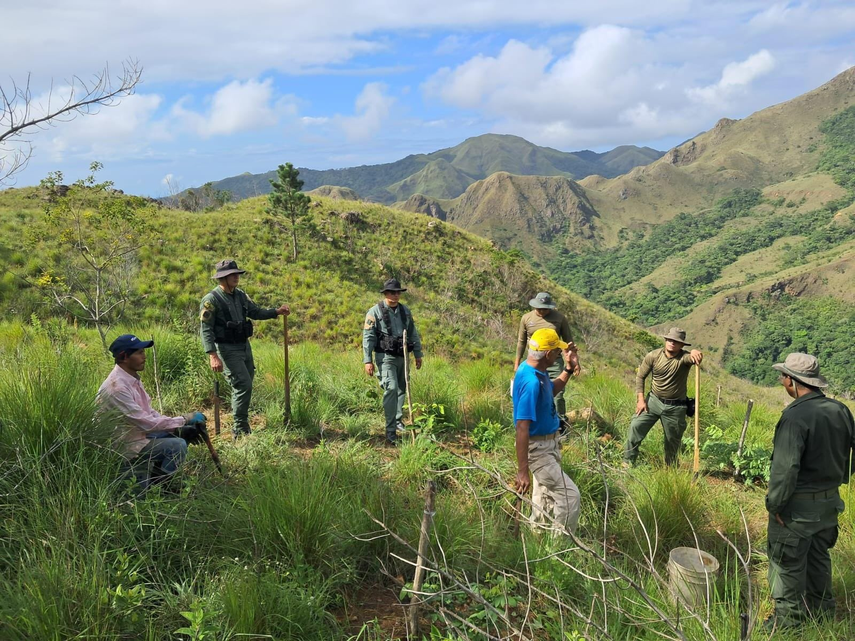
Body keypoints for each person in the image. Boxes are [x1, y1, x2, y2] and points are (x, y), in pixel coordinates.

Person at [765, 353, 855, 630]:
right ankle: (823, 614)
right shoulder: (840, 410)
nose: (781, 381)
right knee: (818, 559)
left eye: (782, 376)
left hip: (797, 509)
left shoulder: (794, 417)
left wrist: (775, 506)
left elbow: (785, 469)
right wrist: (839, 478)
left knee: (786, 565)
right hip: (829, 503)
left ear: (792, 381)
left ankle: (788, 624)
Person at [97, 334, 206, 491]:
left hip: (136, 432)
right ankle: (160, 488)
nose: (144, 356)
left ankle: (157, 476)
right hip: (122, 444)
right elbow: (146, 423)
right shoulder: (116, 388)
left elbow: (149, 413)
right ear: (124, 357)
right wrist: (183, 419)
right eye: (139, 352)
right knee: (177, 445)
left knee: (182, 433)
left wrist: (177, 426)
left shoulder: (131, 379)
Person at [200, 259, 290, 439]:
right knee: (243, 384)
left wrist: (276, 311)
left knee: (245, 384)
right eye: (232, 275)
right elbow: (206, 329)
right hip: (227, 349)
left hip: (244, 346)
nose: (236, 277)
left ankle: (242, 424)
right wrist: (213, 355)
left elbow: (255, 312)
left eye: (237, 274)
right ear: (223, 278)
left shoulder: (240, 295)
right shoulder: (211, 300)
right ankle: (240, 429)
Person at [513, 328, 581, 535]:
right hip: (539, 449)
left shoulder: (535, 370)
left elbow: (550, 390)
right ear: (548, 354)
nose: (559, 355)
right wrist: (522, 471)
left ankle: (538, 536)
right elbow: (522, 427)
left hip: (548, 445)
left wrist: (568, 369)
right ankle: (559, 546)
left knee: (544, 497)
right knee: (570, 496)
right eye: (558, 352)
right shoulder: (531, 382)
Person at [623, 327, 703, 466]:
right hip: (653, 401)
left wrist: (696, 352)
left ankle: (670, 470)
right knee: (635, 426)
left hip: (675, 407)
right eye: (670, 340)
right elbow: (640, 377)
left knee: (672, 443)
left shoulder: (683, 358)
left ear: (682, 345)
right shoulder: (653, 356)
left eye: (676, 341)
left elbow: (693, 357)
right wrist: (641, 400)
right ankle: (627, 463)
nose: (672, 343)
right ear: (665, 340)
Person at [363, 278, 423, 444]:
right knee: (391, 388)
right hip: (385, 357)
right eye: (392, 292)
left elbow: (413, 333)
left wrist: (418, 354)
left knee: (402, 388)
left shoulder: (405, 311)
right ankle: (390, 431)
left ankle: (397, 420)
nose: (395, 295)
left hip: (403, 356)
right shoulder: (374, 312)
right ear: (385, 294)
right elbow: (368, 337)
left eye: (398, 292)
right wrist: (367, 360)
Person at [515, 292, 580, 428]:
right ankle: (535, 424)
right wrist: (517, 363)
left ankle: (561, 423)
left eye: (545, 308)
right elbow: (521, 342)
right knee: (534, 392)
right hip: (535, 361)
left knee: (558, 393)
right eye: (539, 308)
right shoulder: (526, 318)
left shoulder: (560, 318)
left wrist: (575, 363)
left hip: (554, 361)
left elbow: (569, 342)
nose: (542, 311)